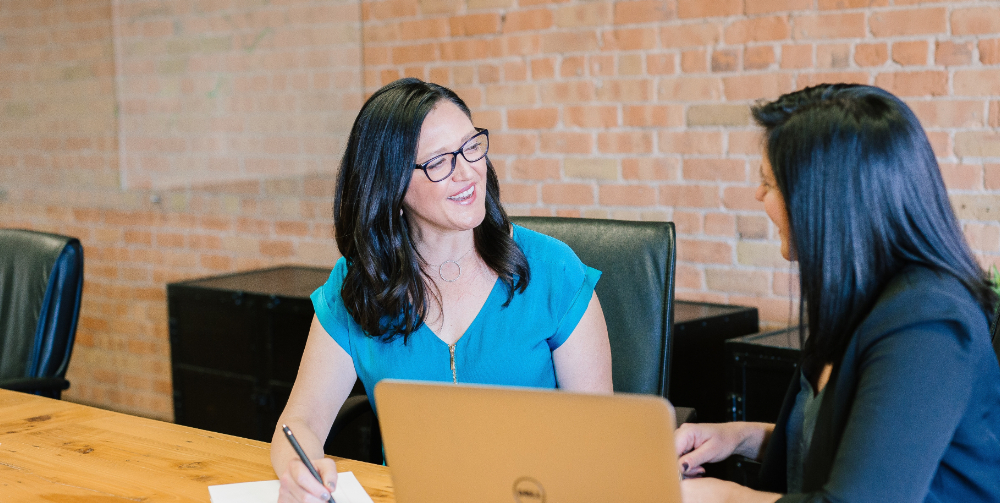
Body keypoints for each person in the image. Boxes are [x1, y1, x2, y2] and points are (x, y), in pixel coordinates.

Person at [270, 78, 613, 503]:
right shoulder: (358, 287)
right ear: (391, 185)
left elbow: (598, 440)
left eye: (472, 146)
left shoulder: (552, 270)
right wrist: (298, 471)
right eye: (439, 162)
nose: (468, 171)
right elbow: (300, 420)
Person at [675, 84, 1000, 502]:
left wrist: (720, 497)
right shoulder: (858, 301)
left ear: (824, 202)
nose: (758, 196)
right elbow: (843, 446)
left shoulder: (928, 323)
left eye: (769, 183)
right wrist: (738, 436)